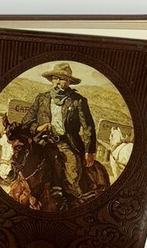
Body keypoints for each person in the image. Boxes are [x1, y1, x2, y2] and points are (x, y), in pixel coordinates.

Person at [22, 61, 97, 199]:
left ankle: (74, 199)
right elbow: (25, 123)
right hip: (42, 142)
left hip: (65, 143)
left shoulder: (78, 101)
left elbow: (88, 127)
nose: (57, 82)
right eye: (54, 78)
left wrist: (89, 151)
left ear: (69, 82)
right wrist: (38, 128)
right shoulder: (42, 98)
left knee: (72, 170)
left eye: (61, 79)